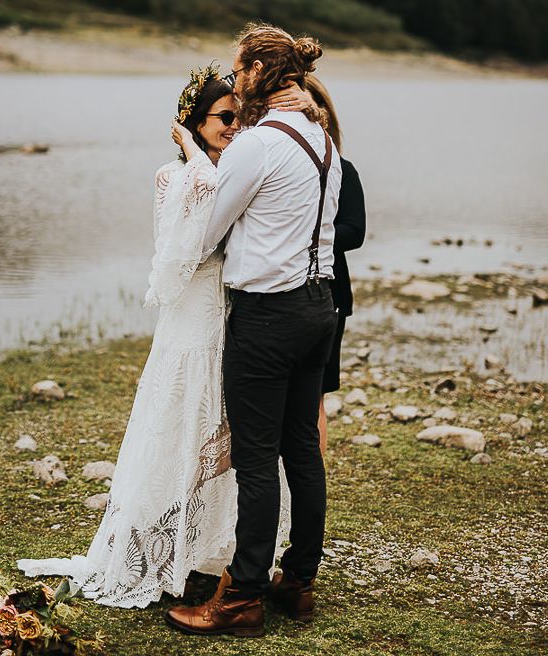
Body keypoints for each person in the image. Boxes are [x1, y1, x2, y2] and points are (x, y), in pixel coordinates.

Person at [16, 64, 292, 608]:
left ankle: (211, 551)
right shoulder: (176, 175)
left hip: (233, 323)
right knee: (176, 433)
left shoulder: (233, 172)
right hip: (192, 324)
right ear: (192, 123)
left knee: (227, 439)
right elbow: (187, 249)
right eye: (223, 119)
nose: (235, 128)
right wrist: (192, 151)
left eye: (241, 118)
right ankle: (152, 549)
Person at [165, 23, 342, 638]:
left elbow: (209, 229)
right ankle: (298, 580)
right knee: (302, 448)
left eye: (239, 72)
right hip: (320, 308)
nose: (234, 85)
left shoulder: (257, 144)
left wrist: (193, 161)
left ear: (258, 74)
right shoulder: (323, 141)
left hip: (267, 316)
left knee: (257, 458)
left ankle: (239, 598)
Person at [268, 76, 367, 455]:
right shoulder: (275, 167)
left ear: (321, 114)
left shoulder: (343, 169)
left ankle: (307, 480)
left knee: (313, 399)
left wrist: (298, 236)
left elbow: (354, 232)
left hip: (328, 295)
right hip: (275, 293)